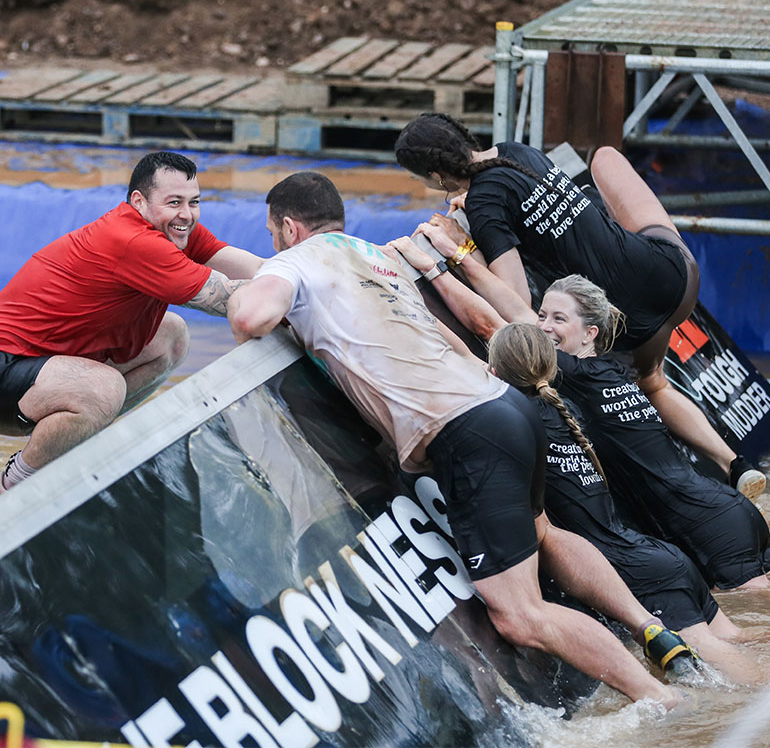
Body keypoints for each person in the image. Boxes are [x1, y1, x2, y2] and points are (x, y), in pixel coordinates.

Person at [228, 170, 689, 709]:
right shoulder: (376, 256)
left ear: (287, 227)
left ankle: (660, 700)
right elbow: (453, 336)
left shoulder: (295, 261)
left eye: (271, 232)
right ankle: (651, 630)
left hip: (464, 432)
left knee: (519, 615)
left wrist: (271, 301)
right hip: (504, 406)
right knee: (543, 533)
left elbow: (250, 315)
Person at [394, 112, 765, 501]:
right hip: (676, 275)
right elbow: (520, 200)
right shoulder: (515, 151)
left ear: (436, 176)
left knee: (653, 384)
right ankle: (737, 465)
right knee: (605, 158)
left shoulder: (486, 204)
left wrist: (464, 246)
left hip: (637, 329)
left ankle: (729, 463)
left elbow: (516, 298)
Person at [486, 322, 764, 685]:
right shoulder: (564, 409)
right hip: (660, 557)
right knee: (739, 640)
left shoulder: (512, 423)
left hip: (636, 573)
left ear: (493, 373)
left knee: (742, 686)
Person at [0, 151, 262, 490]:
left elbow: (254, 269)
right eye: (174, 202)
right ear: (139, 201)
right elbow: (226, 297)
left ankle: (74, 441)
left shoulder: (176, 229)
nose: (186, 214)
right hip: (8, 365)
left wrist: (315, 270)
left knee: (171, 335)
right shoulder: (133, 240)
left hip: (45, 365)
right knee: (104, 389)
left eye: (194, 202)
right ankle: (16, 484)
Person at [538, 275, 770, 590]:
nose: (544, 326)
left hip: (710, 531)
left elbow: (499, 323)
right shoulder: (613, 372)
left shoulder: (579, 375)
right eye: (542, 315)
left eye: (559, 318)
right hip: (725, 512)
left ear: (589, 333)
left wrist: (457, 258)